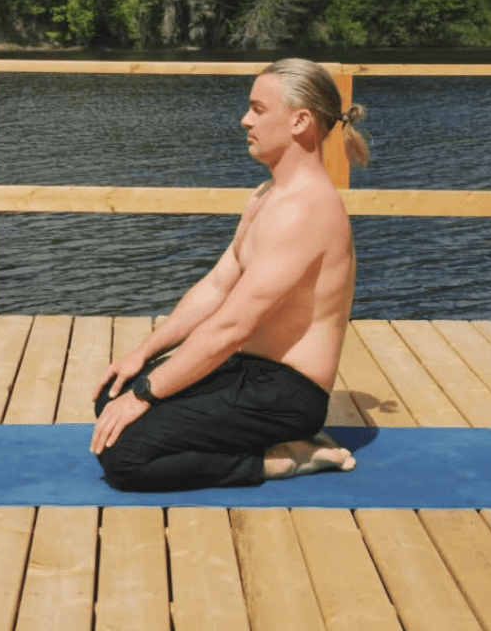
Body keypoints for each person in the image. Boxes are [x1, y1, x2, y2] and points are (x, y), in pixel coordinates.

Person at [90, 58, 370, 491]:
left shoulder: (305, 211)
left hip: (287, 393)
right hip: (247, 370)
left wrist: (148, 394)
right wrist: (142, 357)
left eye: (258, 109)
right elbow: (217, 286)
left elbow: (231, 327)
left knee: (124, 456)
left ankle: (282, 459)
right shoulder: (268, 195)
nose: (244, 120)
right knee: (113, 393)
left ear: (300, 121)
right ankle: (271, 442)